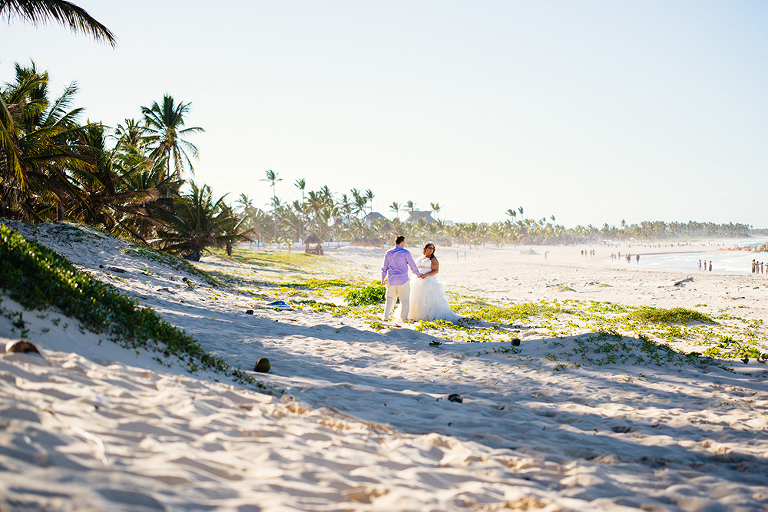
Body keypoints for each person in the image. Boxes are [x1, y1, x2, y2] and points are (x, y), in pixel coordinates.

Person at [407, 242, 460, 322]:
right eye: (429, 248)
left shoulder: (433, 259)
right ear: (425, 248)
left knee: (426, 298)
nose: (431, 250)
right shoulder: (421, 257)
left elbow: (436, 271)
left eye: (432, 248)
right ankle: (412, 315)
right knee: (414, 297)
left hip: (428, 280)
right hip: (416, 279)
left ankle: (425, 316)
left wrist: (425, 275)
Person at [381, 235, 421, 322]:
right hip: (403, 279)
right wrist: (417, 273)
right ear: (402, 242)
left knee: (390, 299)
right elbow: (412, 265)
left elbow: (384, 267)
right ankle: (404, 318)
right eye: (404, 242)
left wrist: (383, 278)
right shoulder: (405, 252)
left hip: (391, 279)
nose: (404, 243)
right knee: (405, 299)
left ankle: (385, 317)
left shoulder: (388, 252)